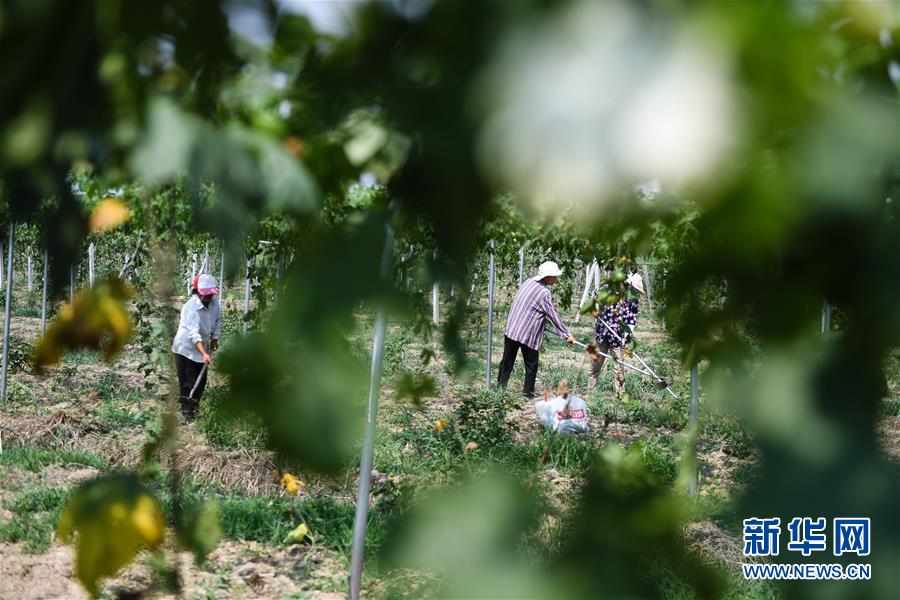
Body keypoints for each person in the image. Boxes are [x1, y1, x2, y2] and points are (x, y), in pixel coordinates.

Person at [498, 261, 575, 398]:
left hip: (512, 329)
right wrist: (566, 334)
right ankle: (527, 395)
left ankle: (499, 390)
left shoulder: (528, 282)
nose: (555, 279)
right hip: (526, 334)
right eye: (554, 276)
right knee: (531, 365)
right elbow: (553, 314)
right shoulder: (544, 292)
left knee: (507, 361)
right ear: (547, 276)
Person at [588, 272, 645, 400]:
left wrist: (626, 338)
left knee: (619, 368)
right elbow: (594, 295)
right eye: (633, 289)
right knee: (595, 364)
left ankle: (619, 395)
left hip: (618, 338)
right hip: (602, 333)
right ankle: (591, 393)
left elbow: (631, 322)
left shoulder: (633, 302)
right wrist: (594, 310)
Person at [172, 273, 221, 420]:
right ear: (198, 292)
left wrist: (215, 338)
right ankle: (187, 414)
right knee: (188, 381)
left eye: (210, 294)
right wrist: (204, 354)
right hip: (185, 349)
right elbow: (193, 334)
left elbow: (218, 321)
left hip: (202, 347)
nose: (208, 298)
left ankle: (194, 408)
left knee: (201, 381)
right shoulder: (190, 307)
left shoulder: (215, 304)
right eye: (206, 295)